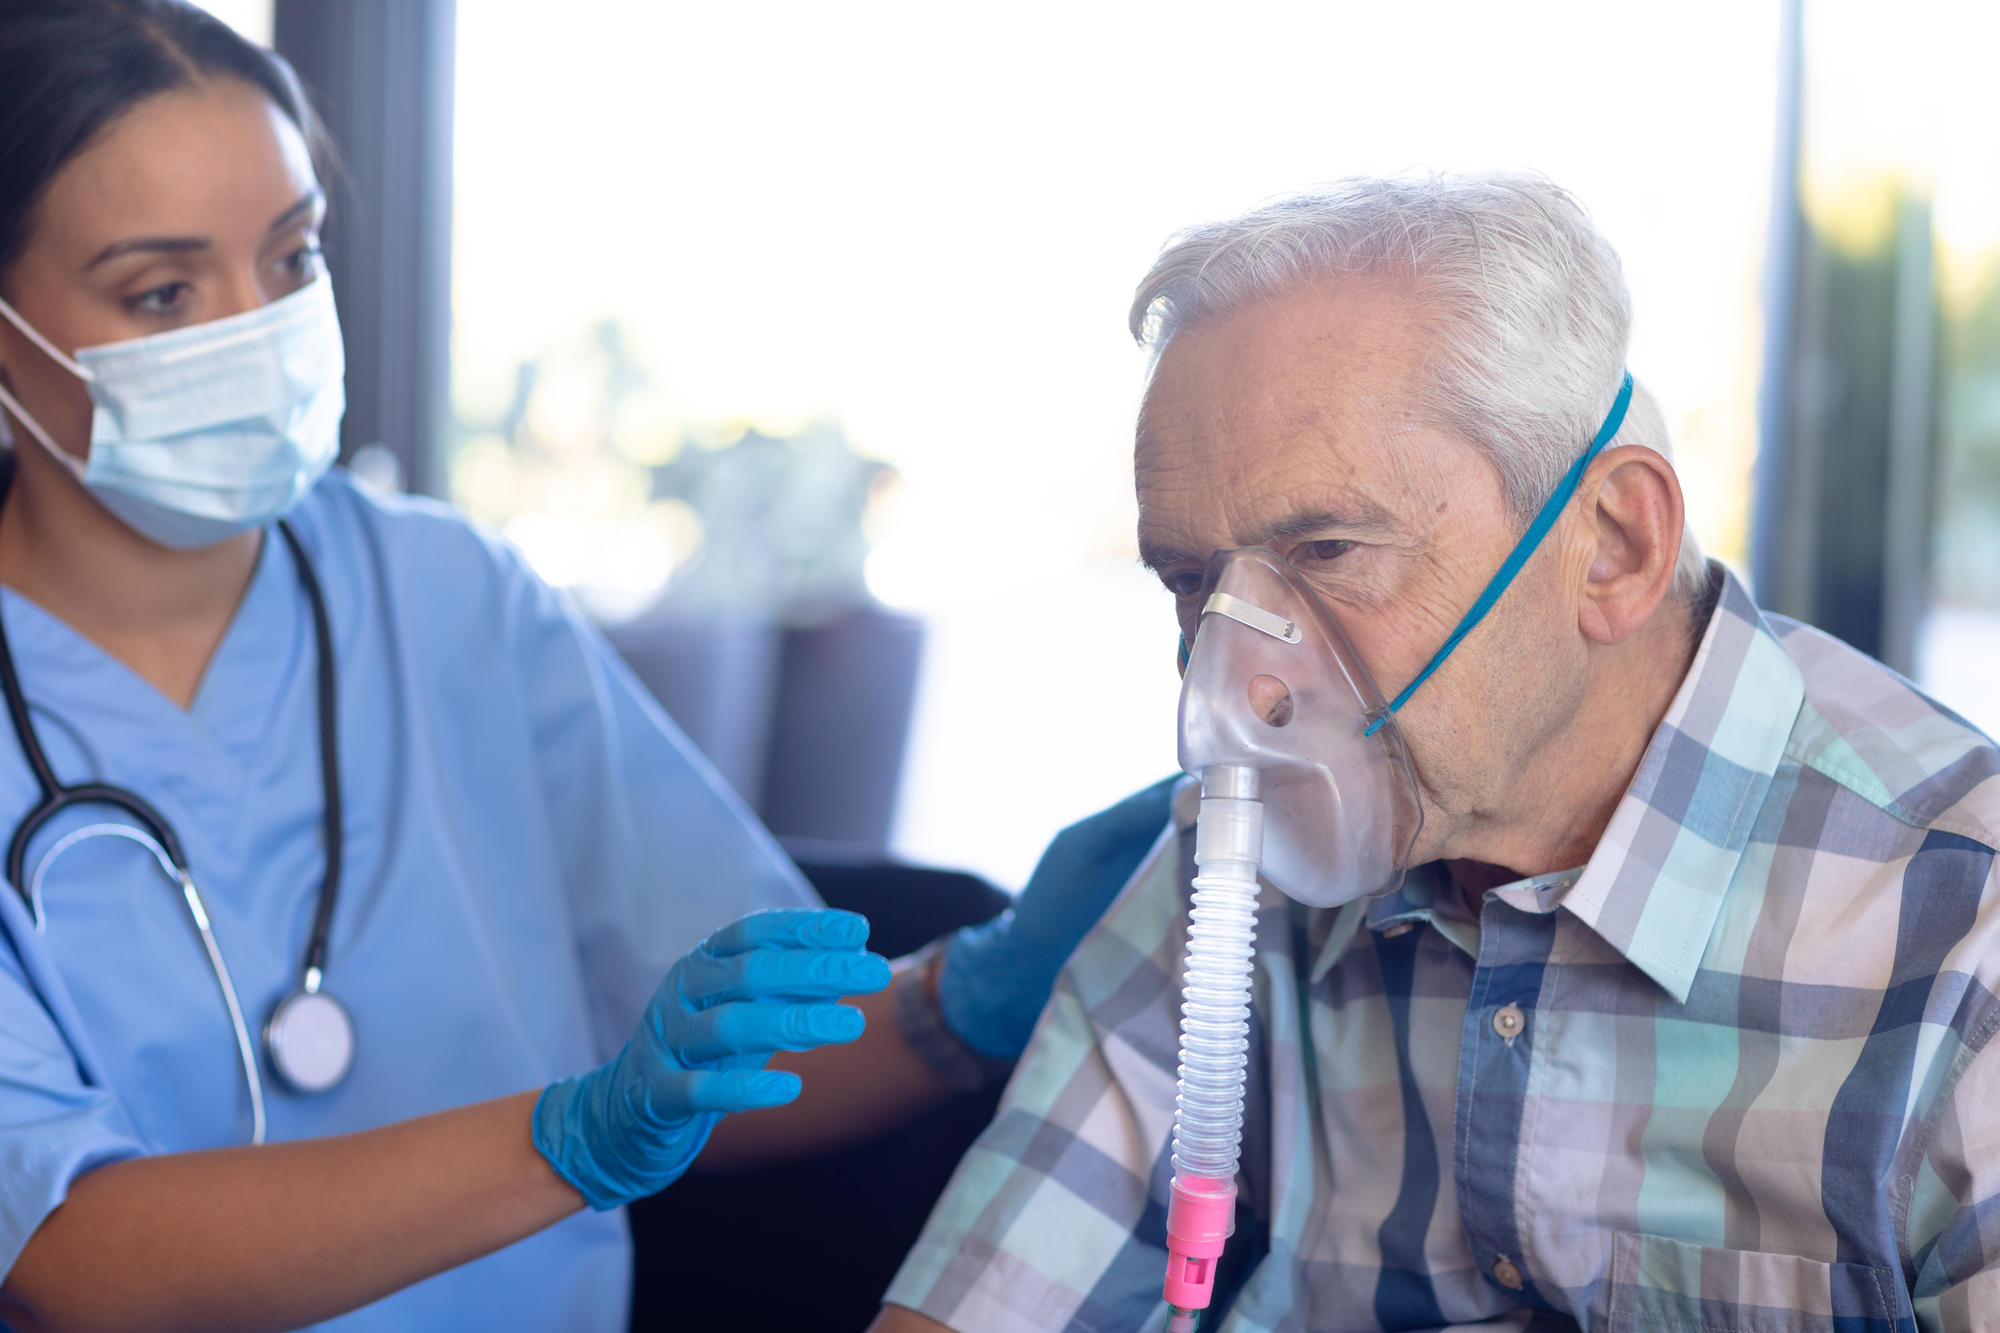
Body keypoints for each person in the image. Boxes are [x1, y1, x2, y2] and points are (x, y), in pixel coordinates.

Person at [0, 3, 1169, 1329]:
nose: (254, 330)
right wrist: (573, 1137)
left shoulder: (453, 599)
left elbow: (732, 1070)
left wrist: (976, 987)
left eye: (290, 258)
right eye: (162, 291)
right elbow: (64, 1256)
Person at [873, 175, 2000, 1332]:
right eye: (1191, 583)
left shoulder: (1963, 944)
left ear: (1609, 545)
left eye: (1326, 548)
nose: (1240, 682)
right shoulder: (1226, 872)